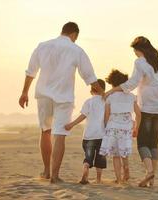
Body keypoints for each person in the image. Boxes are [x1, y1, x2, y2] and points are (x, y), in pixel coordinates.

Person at [18, 22, 104, 183]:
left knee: (45, 131)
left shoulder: (42, 46)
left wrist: (24, 92)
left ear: (62, 31)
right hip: (63, 98)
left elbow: (31, 72)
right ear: (75, 35)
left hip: (43, 95)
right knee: (59, 135)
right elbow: (90, 77)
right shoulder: (76, 49)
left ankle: (46, 171)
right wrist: (103, 93)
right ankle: (55, 176)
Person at [104, 36, 158, 187]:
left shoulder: (140, 62)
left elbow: (132, 83)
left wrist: (111, 91)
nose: (134, 53)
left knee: (142, 142)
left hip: (148, 104)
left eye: (134, 50)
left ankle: (149, 172)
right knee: (154, 143)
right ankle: (151, 181)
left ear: (138, 50)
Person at [99, 69, 141, 184]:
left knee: (115, 155)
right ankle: (126, 169)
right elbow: (138, 114)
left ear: (112, 83)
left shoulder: (110, 97)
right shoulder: (131, 96)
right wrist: (136, 127)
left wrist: (106, 127)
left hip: (113, 126)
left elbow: (106, 114)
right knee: (124, 152)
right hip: (127, 126)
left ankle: (118, 179)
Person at [64, 79, 107, 185]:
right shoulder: (106, 102)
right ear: (104, 90)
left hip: (89, 136)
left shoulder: (89, 102)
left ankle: (85, 170)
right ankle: (98, 179)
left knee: (88, 157)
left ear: (91, 90)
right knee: (100, 158)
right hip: (102, 135)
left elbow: (82, 116)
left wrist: (71, 124)